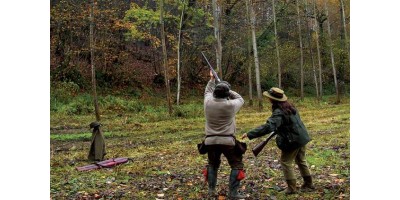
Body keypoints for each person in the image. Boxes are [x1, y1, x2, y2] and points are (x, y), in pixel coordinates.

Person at [241, 87, 315, 194]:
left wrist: (249, 134)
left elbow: (268, 127)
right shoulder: (290, 106)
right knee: (301, 160)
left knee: (286, 162)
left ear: (273, 99)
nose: (268, 99)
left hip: (293, 140)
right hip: (301, 137)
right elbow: (287, 124)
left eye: (269, 97)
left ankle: (292, 188)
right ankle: (308, 184)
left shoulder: (279, 112)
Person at [203, 70, 246, 199]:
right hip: (228, 141)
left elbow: (208, 90)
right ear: (227, 94)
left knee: (212, 164)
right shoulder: (231, 105)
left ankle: (211, 191)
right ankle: (232, 193)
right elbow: (240, 98)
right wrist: (225, 86)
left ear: (215, 93)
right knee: (237, 165)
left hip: (210, 141)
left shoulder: (208, 102)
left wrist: (212, 80)